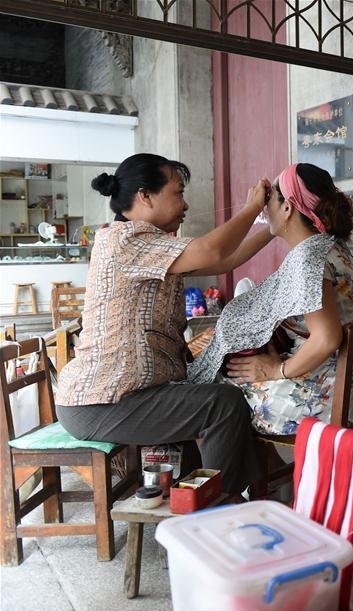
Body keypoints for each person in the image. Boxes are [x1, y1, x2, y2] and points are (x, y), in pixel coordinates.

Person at [56, 153, 275, 494]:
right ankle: (219, 509)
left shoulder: (152, 245)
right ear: (145, 196)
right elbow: (213, 251)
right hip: (101, 403)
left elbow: (226, 259)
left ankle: (203, 503)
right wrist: (252, 209)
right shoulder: (125, 240)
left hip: (121, 397)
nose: (185, 204)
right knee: (223, 404)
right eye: (178, 193)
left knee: (210, 409)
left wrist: (274, 229)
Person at [188, 163, 353, 436]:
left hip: (336, 396)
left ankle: (248, 467)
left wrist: (276, 370)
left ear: (287, 208)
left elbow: (327, 338)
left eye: (270, 198)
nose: (264, 206)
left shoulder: (308, 258)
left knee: (218, 395)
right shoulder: (332, 246)